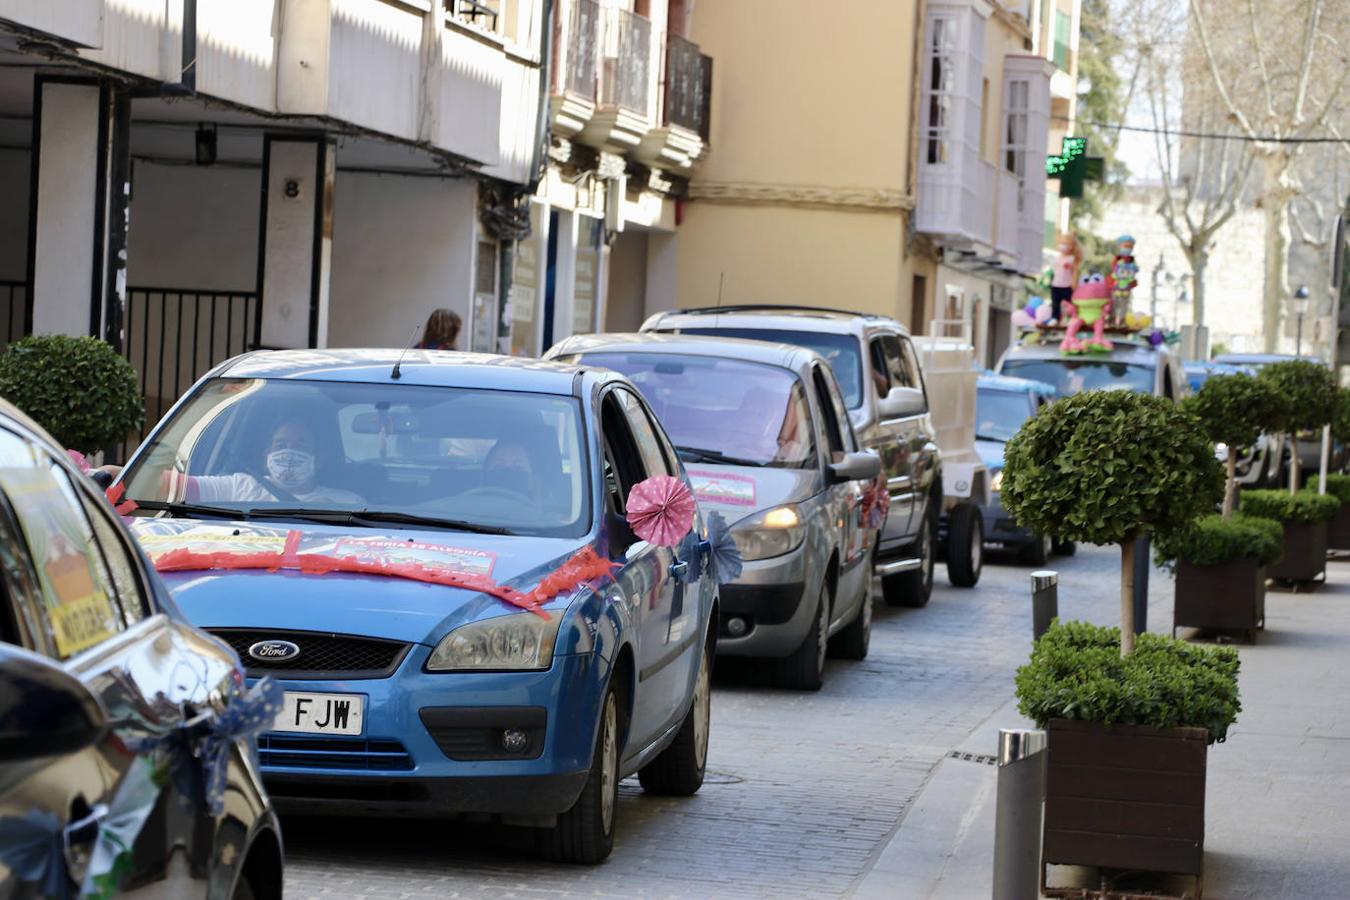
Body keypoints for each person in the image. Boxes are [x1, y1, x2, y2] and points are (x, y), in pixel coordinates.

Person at [168, 422, 363, 505]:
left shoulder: (347, 503)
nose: (289, 452)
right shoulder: (239, 486)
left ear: (318, 459)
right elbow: (174, 486)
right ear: (266, 456)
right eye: (281, 444)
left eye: (300, 445)